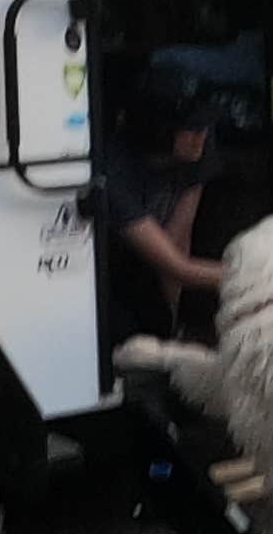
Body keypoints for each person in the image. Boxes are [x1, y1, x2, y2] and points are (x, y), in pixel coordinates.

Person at [95, 69, 228, 340]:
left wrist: (173, 321)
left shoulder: (199, 148)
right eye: (190, 128)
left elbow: (179, 237)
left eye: (204, 126)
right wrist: (263, 278)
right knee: (124, 330)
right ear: (158, 129)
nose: (201, 136)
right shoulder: (114, 175)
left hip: (161, 253)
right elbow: (176, 265)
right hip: (107, 261)